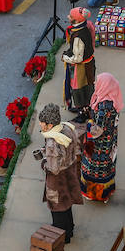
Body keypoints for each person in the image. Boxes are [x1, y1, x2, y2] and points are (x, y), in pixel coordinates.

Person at [37, 104, 84, 242]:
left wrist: (44, 162)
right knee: (67, 204)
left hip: (57, 180)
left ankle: (62, 237)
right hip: (69, 172)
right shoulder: (67, 129)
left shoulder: (52, 142)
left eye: (42, 122)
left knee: (57, 209)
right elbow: (76, 149)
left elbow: (53, 168)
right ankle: (69, 230)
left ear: (50, 125)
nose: (40, 124)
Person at [82, 73, 122, 203]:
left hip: (99, 147)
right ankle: (106, 193)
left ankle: (96, 195)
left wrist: (88, 124)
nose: (94, 83)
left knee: (96, 170)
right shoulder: (112, 99)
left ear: (104, 85)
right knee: (106, 168)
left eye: (97, 81)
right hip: (109, 142)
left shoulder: (104, 108)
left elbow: (97, 131)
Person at [62, 7, 97, 121]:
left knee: (79, 88)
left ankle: (83, 113)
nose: (68, 17)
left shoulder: (78, 38)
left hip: (81, 67)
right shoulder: (87, 25)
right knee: (88, 85)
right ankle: (85, 109)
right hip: (89, 63)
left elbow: (77, 58)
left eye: (70, 16)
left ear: (76, 21)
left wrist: (65, 57)